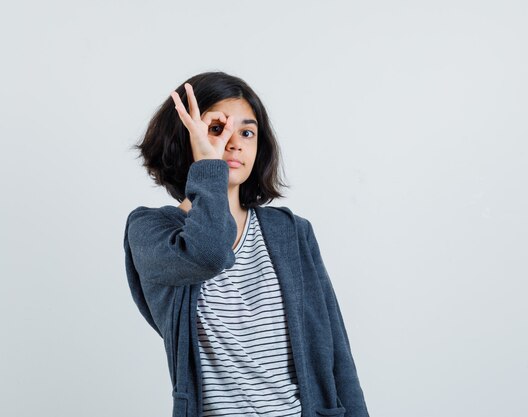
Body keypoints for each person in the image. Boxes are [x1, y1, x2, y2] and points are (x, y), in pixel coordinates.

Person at [123, 71, 370, 417]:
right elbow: (208, 254)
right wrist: (209, 166)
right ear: (187, 136)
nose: (234, 142)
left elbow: (337, 357)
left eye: (247, 132)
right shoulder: (151, 231)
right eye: (216, 129)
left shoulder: (292, 233)